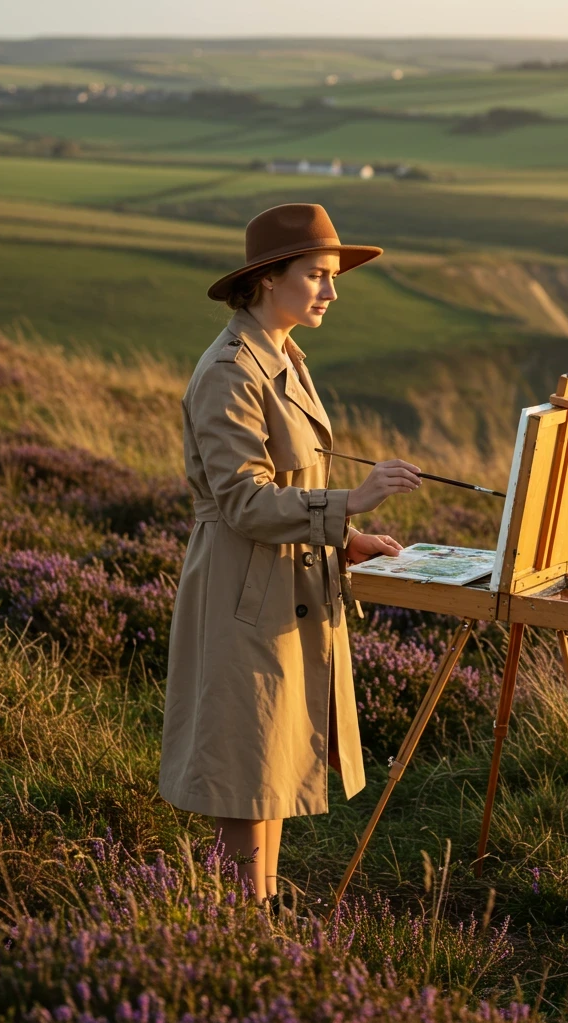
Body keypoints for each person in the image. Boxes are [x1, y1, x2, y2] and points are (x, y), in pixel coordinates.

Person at [158, 203, 422, 913]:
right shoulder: (228, 372)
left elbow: (291, 486)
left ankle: (259, 914)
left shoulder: (283, 358)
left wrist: (345, 539)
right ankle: (236, 931)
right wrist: (349, 505)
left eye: (333, 278)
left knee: (269, 766)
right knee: (245, 768)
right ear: (268, 279)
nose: (331, 292)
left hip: (285, 585)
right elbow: (244, 500)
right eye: (318, 276)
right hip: (242, 592)